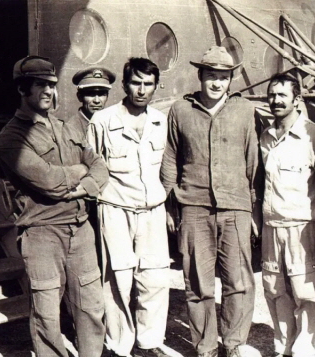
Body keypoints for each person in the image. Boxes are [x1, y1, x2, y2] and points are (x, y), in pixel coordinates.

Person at [0, 56, 108, 357]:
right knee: (47, 317)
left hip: (81, 229)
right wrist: (79, 172)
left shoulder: (65, 127)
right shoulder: (11, 138)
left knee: (92, 309)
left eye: (51, 85)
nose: (48, 91)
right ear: (23, 89)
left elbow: (99, 165)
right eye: (40, 85)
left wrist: (84, 185)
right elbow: (50, 183)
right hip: (43, 234)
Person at [160, 46, 260, 357]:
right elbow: (171, 158)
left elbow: (253, 162)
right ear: (200, 76)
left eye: (224, 77)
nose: (217, 83)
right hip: (194, 207)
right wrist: (170, 203)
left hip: (235, 208)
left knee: (238, 281)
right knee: (198, 282)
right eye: (211, 76)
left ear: (231, 80)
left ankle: (233, 344)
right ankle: (205, 347)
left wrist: (252, 208)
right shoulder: (181, 110)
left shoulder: (245, 111)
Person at [87, 57, 171, 357]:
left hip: (152, 210)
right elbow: (92, 165)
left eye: (148, 84)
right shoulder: (103, 121)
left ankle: (150, 342)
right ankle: (120, 346)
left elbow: (168, 168)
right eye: (136, 83)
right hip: (115, 208)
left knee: (156, 278)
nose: (142, 90)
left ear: (156, 87)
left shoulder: (161, 121)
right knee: (118, 278)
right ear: (124, 85)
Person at [259, 73, 315, 357]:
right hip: (271, 227)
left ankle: (307, 352)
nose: (275, 101)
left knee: (308, 295)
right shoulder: (265, 136)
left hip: (303, 228)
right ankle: (283, 348)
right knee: (276, 291)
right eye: (272, 95)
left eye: (282, 95)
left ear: (297, 100)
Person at [72, 66, 115, 131]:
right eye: (91, 94)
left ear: (107, 96)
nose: (97, 101)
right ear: (80, 97)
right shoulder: (70, 129)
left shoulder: (112, 125)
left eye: (101, 94)